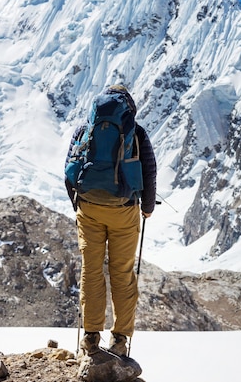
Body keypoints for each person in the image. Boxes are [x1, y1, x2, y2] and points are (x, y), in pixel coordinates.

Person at [64, 85, 157, 357]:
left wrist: (78, 204)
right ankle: (120, 338)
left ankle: (91, 336)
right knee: (122, 273)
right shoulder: (136, 133)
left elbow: (69, 169)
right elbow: (149, 173)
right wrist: (147, 208)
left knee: (91, 271)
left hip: (89, 208)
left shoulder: (85, 130)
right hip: (123, 210)